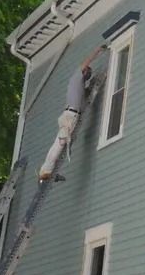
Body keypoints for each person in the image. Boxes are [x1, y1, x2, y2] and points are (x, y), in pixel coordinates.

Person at [39, 44, 106, 182]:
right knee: (60, 143)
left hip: (70, 115)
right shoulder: (77, 77)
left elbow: (85, 97)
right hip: (70, 116)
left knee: (61, 144)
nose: (89, 73)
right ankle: (45, 171)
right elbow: (85, 63)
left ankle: (50, 171)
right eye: (88, 71)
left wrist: (93, 85)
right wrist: (97, 51)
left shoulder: (79, 86)